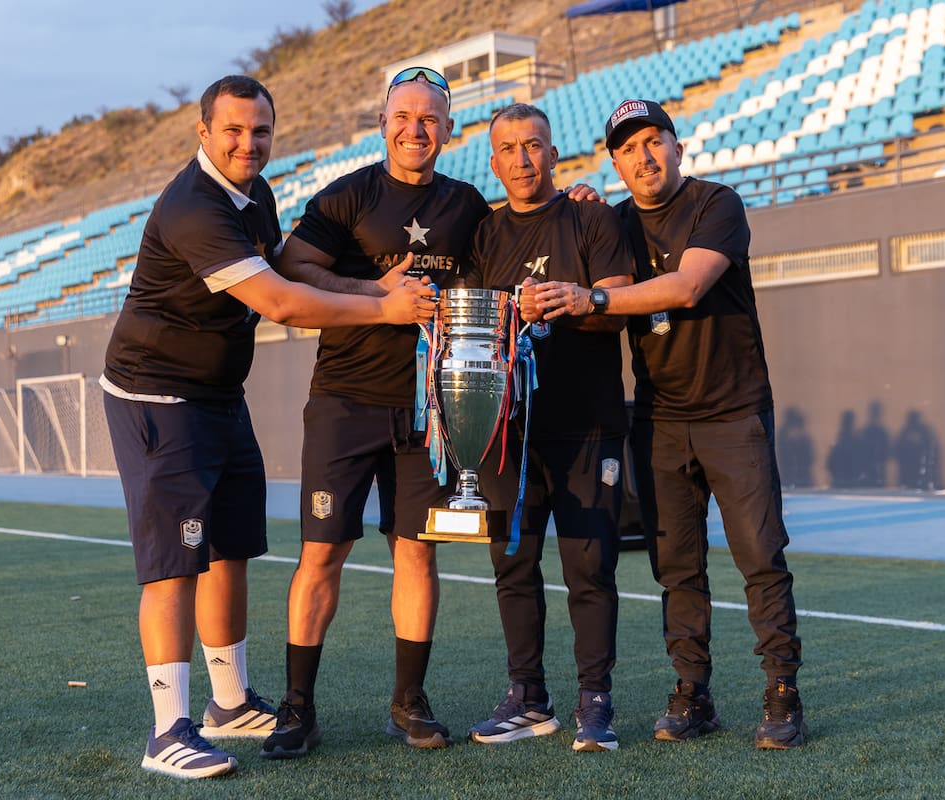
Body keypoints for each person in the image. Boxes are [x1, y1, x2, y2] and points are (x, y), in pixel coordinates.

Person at [100, 75, 436, 779]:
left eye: (260, 133)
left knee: (229, 550)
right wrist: (384, 310)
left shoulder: (256, 196)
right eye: (232, 131)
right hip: (160, 398)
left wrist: (371, 287)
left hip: (220, 395)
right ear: (203, 132)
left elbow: (286, 266)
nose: (247, 144)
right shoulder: (195, 206)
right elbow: (281, 301)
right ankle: (167, 730)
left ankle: (228, 704)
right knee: (174, 564)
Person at [532, 98, 806, 749]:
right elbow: (566, 257)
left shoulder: (718, 204)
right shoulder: (615, 222)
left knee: (761, 560)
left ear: (678, 146)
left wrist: (593, 295)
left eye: (654, 140)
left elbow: (686, 287)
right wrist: (578, 212)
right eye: (628, 148)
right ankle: (692, 693)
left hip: (734, 414)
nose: (644, 156)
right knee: (675, 568)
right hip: (658, 418)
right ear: (616, 163)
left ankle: (783, 695)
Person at [259, 67, 492, 759]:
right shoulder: (347, 196)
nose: (415, 128)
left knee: (417, 553)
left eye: (430, 118)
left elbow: (511, 257)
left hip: (430, 410)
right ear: (382, 123)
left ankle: (408, 701)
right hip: (345, 402)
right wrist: (370, 288)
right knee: (321, 553)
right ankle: (298, 709)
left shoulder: (469, 205)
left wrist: (574, 202)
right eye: (404, 115)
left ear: (449, 129)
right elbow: (293, 266)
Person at [459, 103, 634, 753]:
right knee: (513, 564)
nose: (523, 159)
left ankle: (597, 702)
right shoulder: (484, 234)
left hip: (587, 424)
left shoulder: (591, 214)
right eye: (509, 148)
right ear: (495, 161)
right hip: (510, 431)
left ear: (554, 154)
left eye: (534, 146)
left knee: (589, 568)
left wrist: (568, 299)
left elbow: (616, 305)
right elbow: (475, 329)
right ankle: (528, 696)